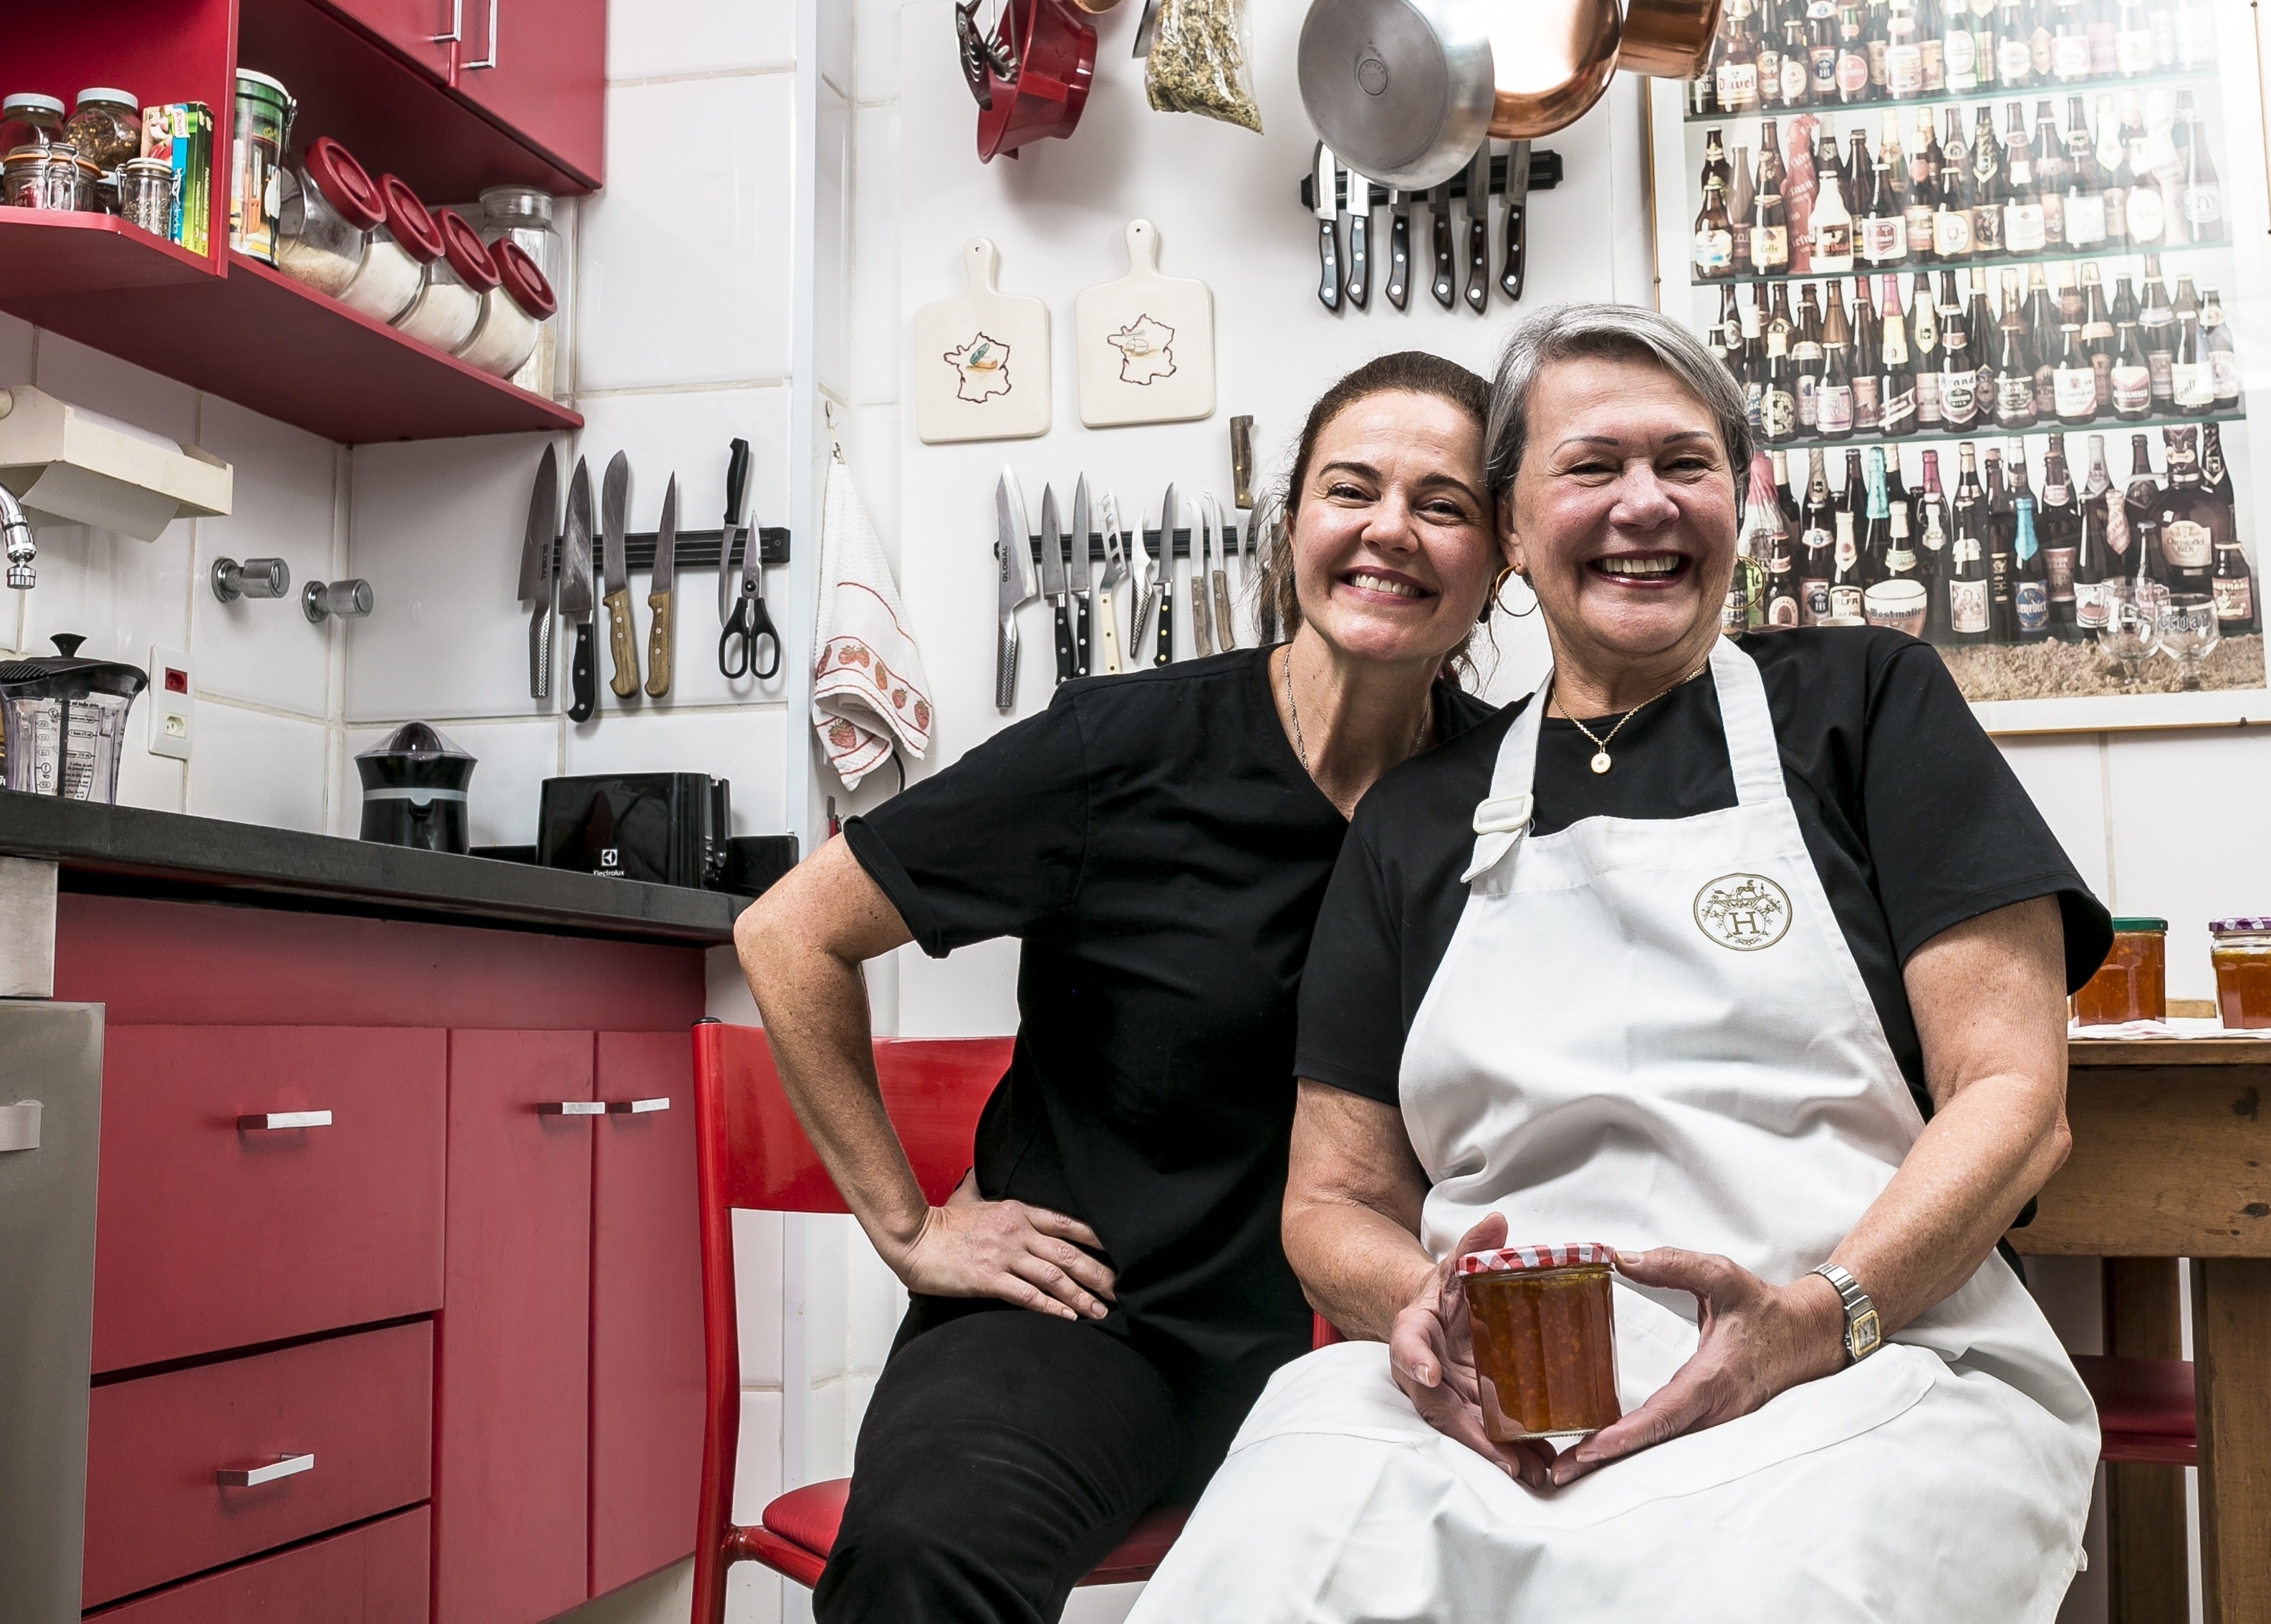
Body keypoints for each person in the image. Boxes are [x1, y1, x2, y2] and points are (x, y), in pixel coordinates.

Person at [1127, 305, 2112, 1623]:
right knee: (1261, 1573)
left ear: (1740, 500)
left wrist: (1816, 1321)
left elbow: (2014, 1097)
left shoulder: (1866, 704)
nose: (1644, 505)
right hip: (1499, 1396)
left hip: (1863, 1358)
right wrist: (1420, 1313)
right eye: (1590, 467)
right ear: (1514, 532)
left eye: (1686, 464)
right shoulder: (1421, 818)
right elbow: (1332, 1200)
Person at [733, 352, 1507, 1624]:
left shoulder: (1516, 793)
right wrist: (912, 1228)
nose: (1388, 530)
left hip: (1384, 1345)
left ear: (1502, 558)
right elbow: (791, 933)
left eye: (1444, 503)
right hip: (1093, 1329)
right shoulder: (1123, 747)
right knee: (930, 1557)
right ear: (1292, 528)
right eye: (1350, 489)